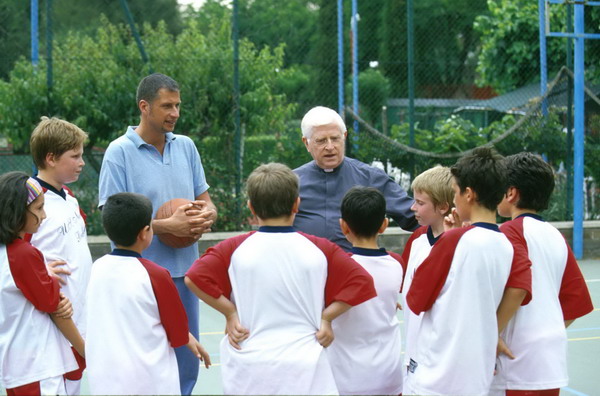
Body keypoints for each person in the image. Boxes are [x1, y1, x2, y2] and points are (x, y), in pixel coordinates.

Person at [185, 163, 376, 395]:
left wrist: (230, 312)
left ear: (251, 207)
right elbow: (362, 282)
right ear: (297, 203)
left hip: (250, 364)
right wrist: (327, 318)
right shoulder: (320, 248)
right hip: (305, 365)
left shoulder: (234, 247)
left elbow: (193, 278)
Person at [98, 72, 217, 394]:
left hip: (185, 274)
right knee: (145, 360)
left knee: (186, 360)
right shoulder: (119, 152)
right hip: (140, 277)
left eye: (177, 105)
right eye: (167, 106)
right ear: (144, 107)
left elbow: (208, 202)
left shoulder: (187, 147)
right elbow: (110, 217)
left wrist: (206, 216)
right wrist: (165, 226)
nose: (175, 113)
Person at [405, 147, 516, 396]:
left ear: (468, 194)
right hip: (476, 375)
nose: (454, 199)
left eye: (455, 192)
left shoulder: (453, 240)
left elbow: (416, 299)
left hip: (438, 375)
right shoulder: (506, 245)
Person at [86, 192, 210, 395]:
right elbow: (178, 334)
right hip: (149, 380)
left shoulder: (97, 268)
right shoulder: (156, 274)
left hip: (106, 378)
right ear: (145, 232)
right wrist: (189, 339)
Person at [490, 152, 594, 396]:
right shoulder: (555, 235)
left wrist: (492, 334)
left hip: (514, 361)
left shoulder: (508, 232)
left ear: (511, 193)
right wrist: (546, 333)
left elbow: (517, 288)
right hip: (549, 358)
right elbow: (576, 303)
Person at [0, 172, 85, 396]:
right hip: (38, 366)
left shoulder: (8, 252)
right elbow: (51, 303)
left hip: (17, 363)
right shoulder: (24, 253)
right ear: (17, 211)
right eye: (38, 209)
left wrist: (44, 276)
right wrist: (85, 349)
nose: (44, 215)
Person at [293, 106, 418, 251]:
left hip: (356, 269)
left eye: (335, 138)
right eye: (321, 141)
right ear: (306, 143)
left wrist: (445, 231)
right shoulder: (291, 183)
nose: (330, 146)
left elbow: (414, 217)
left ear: (344, 136)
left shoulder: (371, 178)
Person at [28, 116, 91, 395]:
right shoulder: (28, 202)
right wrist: (38, 267)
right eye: (75, 156)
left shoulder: (69, 196)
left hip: (79, 317)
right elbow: (12, 253)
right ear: (51, 158)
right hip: (52, 327)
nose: (82, 162)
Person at [326, 186, 405, 395]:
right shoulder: (397, 264)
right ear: (384, 225)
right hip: (389, 375)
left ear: (343, 226)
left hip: (346, 379)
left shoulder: (338, 267)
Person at [400, 165, 453, 384]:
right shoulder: (418, 239)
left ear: (442, 207)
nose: (413, 207)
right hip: (414, 354)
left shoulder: (464, 243)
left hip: (444, 360)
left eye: (420, 203)